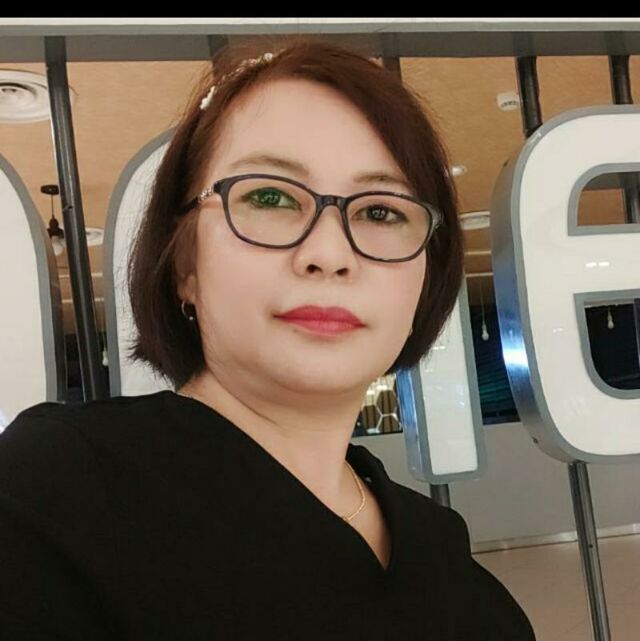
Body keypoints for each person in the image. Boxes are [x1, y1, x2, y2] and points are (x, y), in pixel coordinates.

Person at [0, 37, 537, 640]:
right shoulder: (55, 493)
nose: (329, 253)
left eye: (381, 212)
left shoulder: (447, 558)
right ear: (185, 264)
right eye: (270, 197)